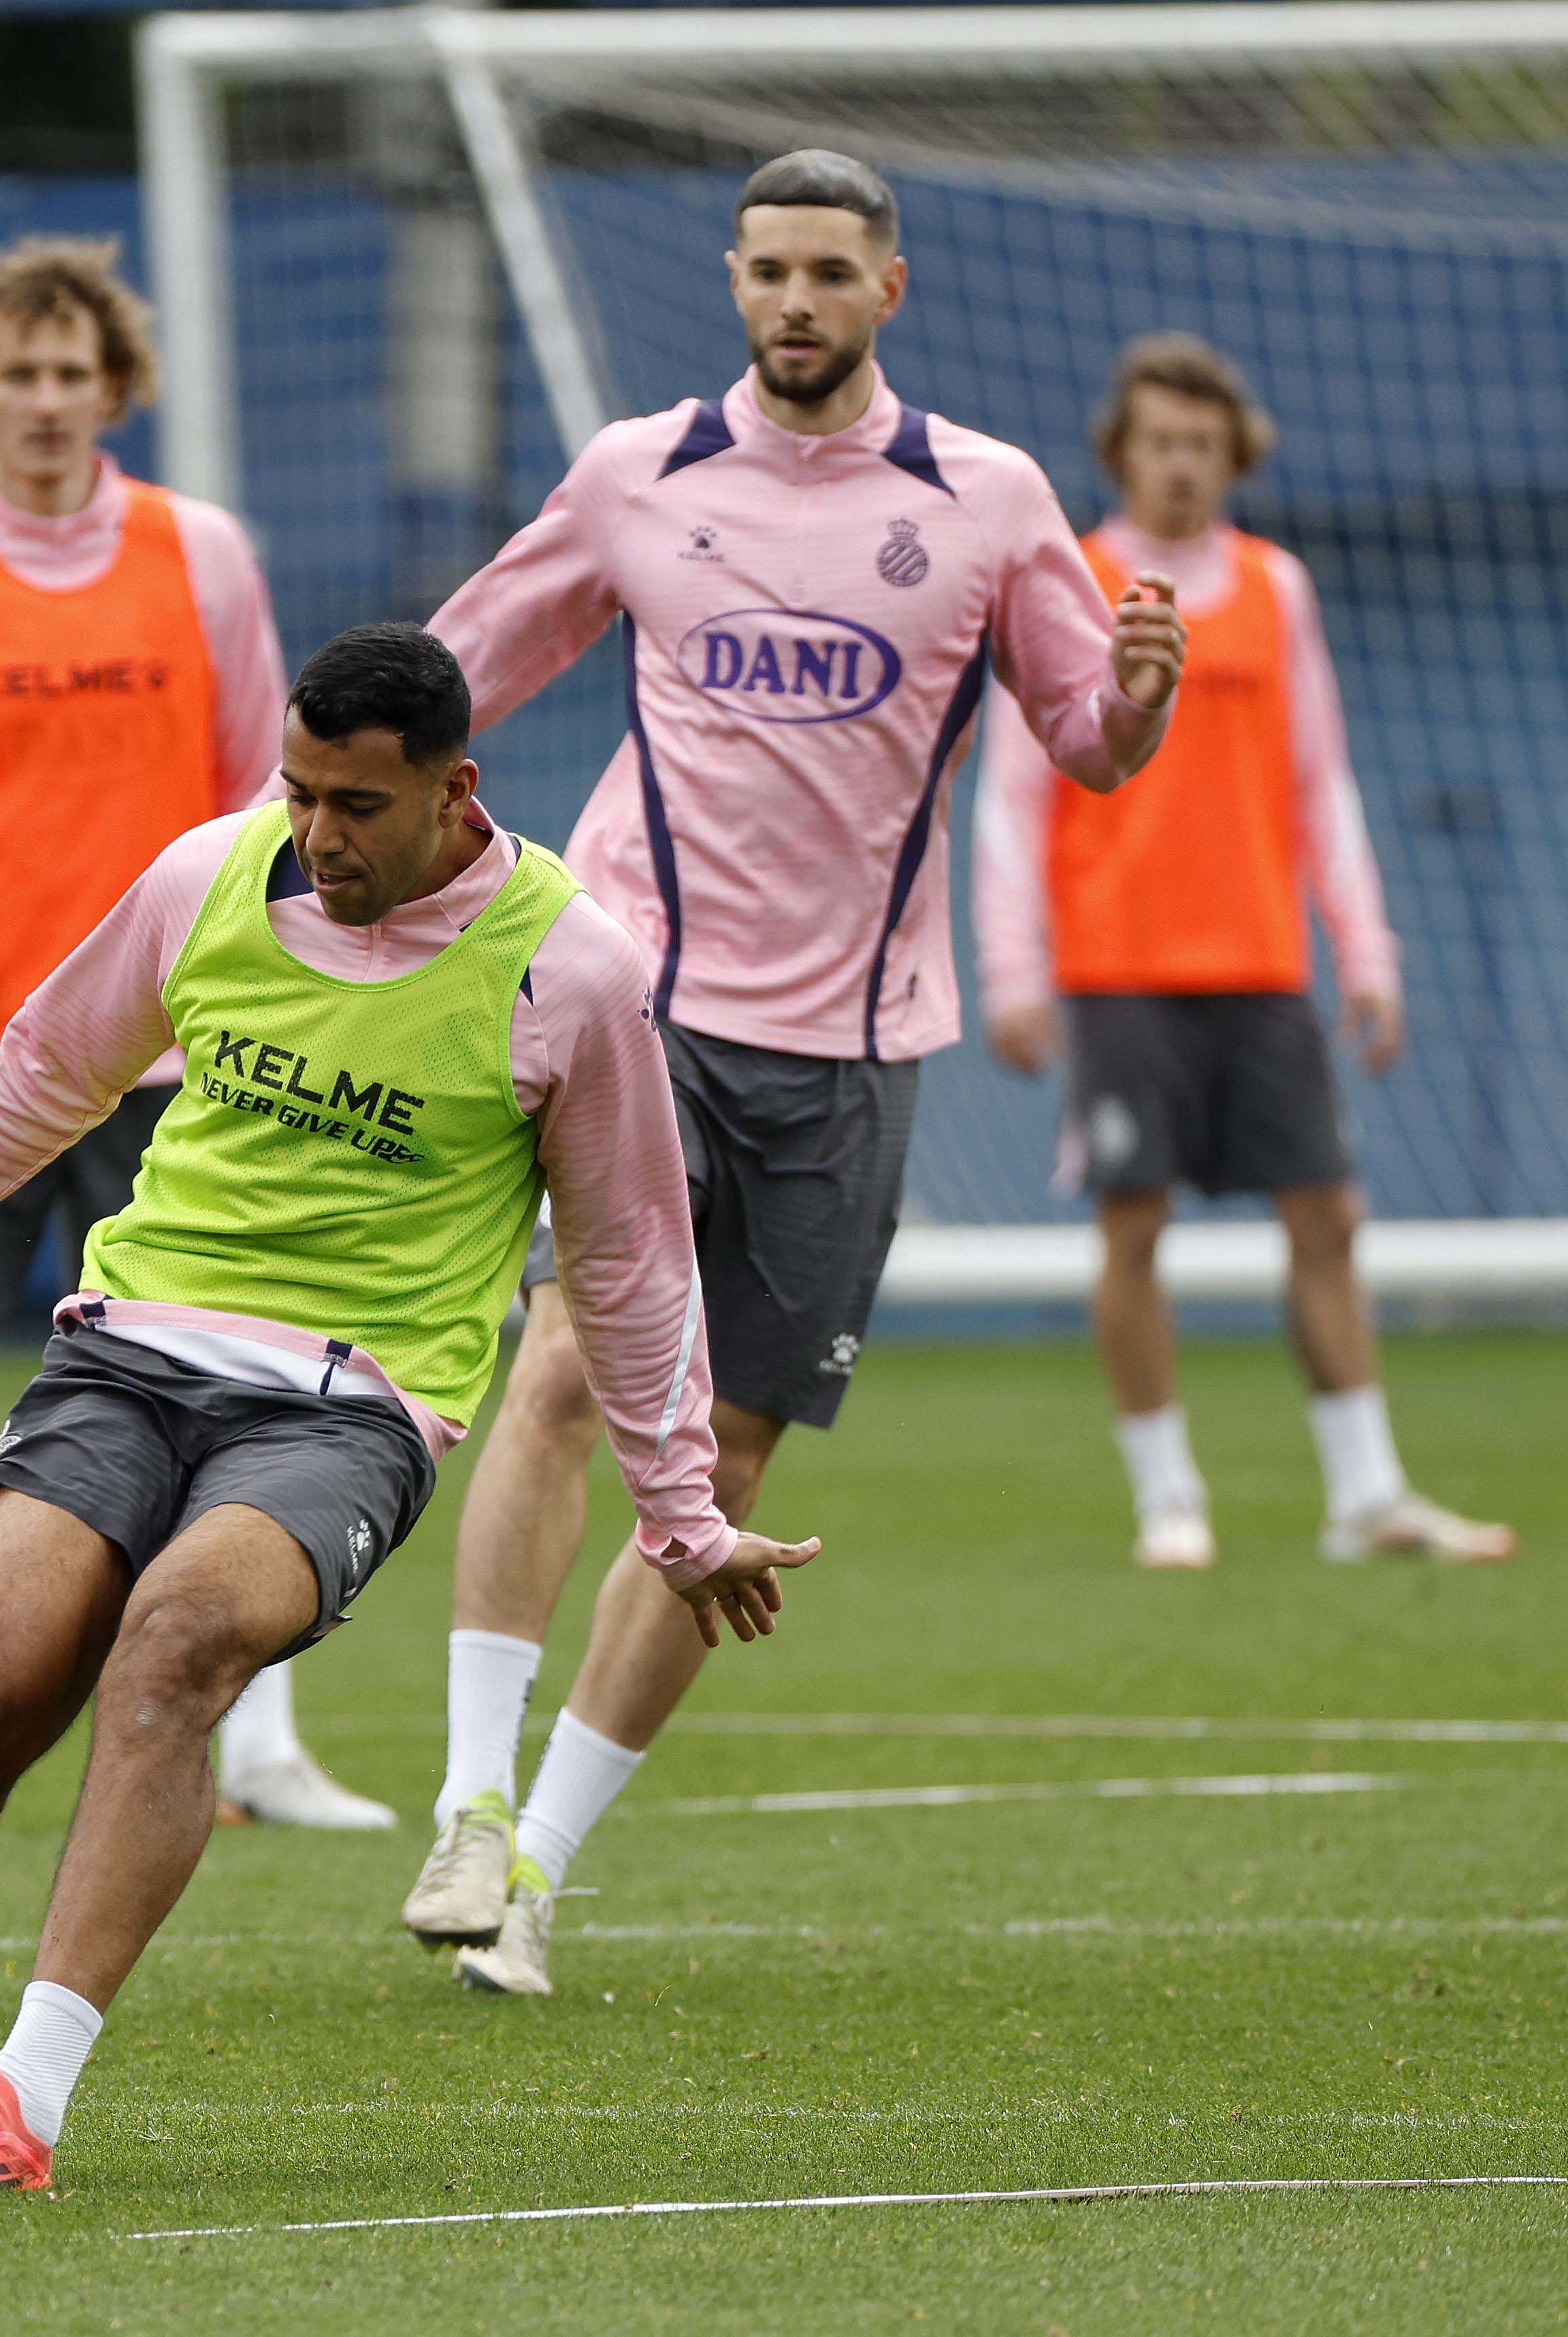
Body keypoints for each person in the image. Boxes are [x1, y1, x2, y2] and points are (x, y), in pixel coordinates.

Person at [0, 624, 815, 2191]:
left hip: (347, 1409)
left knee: (175, 1646)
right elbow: (38, 1073)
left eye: (357, 805)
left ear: (457, 790)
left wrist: (682, 1514)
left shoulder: (567, 968)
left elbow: (630, 1260)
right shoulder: (207, 876)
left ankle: (16, 2102)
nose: (317, 834)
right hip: (126, 1356)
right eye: (298, 792)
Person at [399, 151, 1190, 1997]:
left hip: (851, 1049)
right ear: (736, 280)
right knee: (573, 1382)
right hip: (641, 1005)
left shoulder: (988, 503)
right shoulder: (635, 476)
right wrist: (373, 822)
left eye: (830, 272)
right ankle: (462, 1796)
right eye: (768, 271)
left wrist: (1142, 693)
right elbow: (453, 669)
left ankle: (534, 1874)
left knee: (728, 1457)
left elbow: (1088, 746)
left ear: (887, 290)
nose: (795, 303)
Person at [0, 235, 380, 1841]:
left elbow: (275, 799)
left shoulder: (202, 556)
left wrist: (307, 1000)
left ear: (116, 387)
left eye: (71, 371)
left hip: (194, 1049)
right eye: (12, 373)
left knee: (249, 1383)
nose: (43, 400)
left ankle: (258, 1744)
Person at [973, 333, 1512, 1571]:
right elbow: (1014, 794)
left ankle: (1366, 1495)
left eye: (1202, 445)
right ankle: (1169, 1498)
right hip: (1116, 969)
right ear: (1120, 450)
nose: (1179, 465)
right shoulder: (1070, 580)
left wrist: (1363, 953)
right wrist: (1011, 969)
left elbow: (1319, 785)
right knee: (1133, 1230)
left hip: (1262, 964)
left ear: (1233, 457)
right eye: (1158, 441)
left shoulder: (1279, 589)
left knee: (1326, 1215)